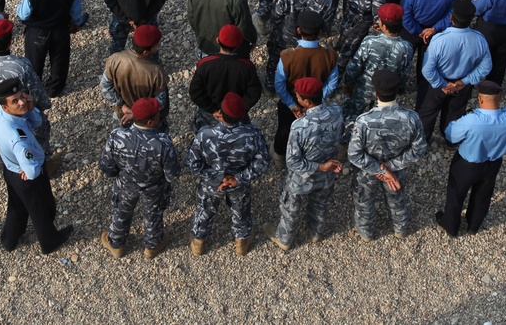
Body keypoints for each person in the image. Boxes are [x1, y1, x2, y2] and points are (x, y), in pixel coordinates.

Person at [0, 78, 73, 254]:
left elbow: (35, 122)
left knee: (16, 206)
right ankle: (50, 242)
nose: (22, 102)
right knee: (42, 210)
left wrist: (30, 107)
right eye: (15, 101)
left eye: (22, 96)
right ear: (6, 106)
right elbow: (31, 170)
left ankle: (10, 239)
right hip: (27, 177)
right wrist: (32, 171)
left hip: (11, 170)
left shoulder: (1, 112)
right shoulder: (17, 137)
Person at [263, 78, 344, 251]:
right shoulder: (337, 112)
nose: (296, 99)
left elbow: (292, 161)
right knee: (319, 204)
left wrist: (318, 166)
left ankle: (284, 238)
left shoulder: (299, 126)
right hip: (327, 174)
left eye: (298, 97)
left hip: (301, 179)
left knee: (291, 208)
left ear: (306, 101)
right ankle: (315, 233)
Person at [186, 92, 270, 257]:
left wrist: (217, 177)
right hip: (239, 184)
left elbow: (192, 163)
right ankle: (241, 243)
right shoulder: (252, 134)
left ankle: (199, 243)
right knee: (241, 211)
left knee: (205, 210)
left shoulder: (205, 134)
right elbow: (262, 162)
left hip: (211, 184)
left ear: (220, 113)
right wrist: (238, 178)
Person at [348, 70, 428, 241]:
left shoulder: (364, 121)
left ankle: (366, 233)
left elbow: (354, 154)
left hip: (368, 171)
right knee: (397, 199)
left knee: (364, 201)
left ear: (375, 93)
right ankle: (400, 229)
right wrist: (391, 166)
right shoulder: (411, 118)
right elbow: (419, 149)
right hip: (396, 170)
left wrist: (380, 169)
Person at [99, 96, 181, 259]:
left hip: (125, 185)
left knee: (121, 211)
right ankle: (153, 244)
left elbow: (106, 166)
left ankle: (116, 244)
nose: (160, 116)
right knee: (153, 214)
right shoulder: (162, 142)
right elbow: (172, 174)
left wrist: (120, 175)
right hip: (154, 188)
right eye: (158, 114)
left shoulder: (117, 135)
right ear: (150, 122)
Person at [436, 80, 506, 237]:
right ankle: (474, 225)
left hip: (467, 165)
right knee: (483, 195)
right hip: (493, 163)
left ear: (480, 99)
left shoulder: (471, 120)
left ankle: (451, 226)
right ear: (500, 97)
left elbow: (450, 135)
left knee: (456, 194)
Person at [0, 19, 53, 158]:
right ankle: (43, 163)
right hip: (24, 111)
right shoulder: (21, 66)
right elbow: (36, 91)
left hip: (2, 110)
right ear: (10, 40)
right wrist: (45, 105)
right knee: (38, 138)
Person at [272, 11, 340, 170]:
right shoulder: (330, 56)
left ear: (298, 31)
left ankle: (280, 159)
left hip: (291, 104)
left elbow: (279, 85)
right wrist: (317, 100)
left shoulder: (287, 56)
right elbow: (332, 82)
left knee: (284, 130)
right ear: (321, 32)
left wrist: (292, 104)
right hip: (315, 104)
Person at [419, 0, 492, 143]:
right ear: (471, 19)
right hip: (462, 84)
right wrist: (464, 81)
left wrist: (442, 84)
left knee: (427, 113)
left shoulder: (439, 40)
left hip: (439, 83)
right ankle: (451, 142)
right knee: (455, 114)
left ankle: (422, 142)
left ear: (451, 18)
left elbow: (427, 69)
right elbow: (486, 66)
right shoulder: (480, 40)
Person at [341, 4, 415, 140]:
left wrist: (348, 82)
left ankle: (346, 140)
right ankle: (369, 142)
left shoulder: (369, 42)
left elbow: (355, 65)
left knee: (352, 114)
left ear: (383, 25)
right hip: (386, 91)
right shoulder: (407, 47)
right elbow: (405, 73)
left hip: (363, 87)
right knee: (377, 119)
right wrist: (399, 88)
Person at [16, 0, 83, 97]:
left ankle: (34, 88)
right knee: (60, 60)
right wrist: (76, 22)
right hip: (61, 29)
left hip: (37, 32)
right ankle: (55, 89)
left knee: (34, 62)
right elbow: (76, 9)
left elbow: (23, 14)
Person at [265, 0, 334, 88]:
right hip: (309, 39)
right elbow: (326, 24)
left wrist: (274, 25)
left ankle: (270, 85)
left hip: (285, 35)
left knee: (275, 57)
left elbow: (277, 13)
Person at [189, 24, 262, 132]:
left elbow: (195, 92)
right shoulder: (247, 67)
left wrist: (213, 110)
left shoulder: (205, 64)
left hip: (209, 116)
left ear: (218, 40)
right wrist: (239, 109)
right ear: (239, 44)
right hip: (236, 116)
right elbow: (254, 93)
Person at [400, 0, 458, 80]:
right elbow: (451, 12)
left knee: (404, 59)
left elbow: (406, 16)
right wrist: (434, 28)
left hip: (413, 30)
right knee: (427, 62)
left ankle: (401, 83)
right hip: (434, 32)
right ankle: (422, 84)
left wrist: (419, 31)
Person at [100, 24, 170, 131]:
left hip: (123, 115)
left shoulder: (114, 60)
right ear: (146, 52)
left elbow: (105, 86)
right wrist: (137, 115)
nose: (158, 46)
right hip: (148, 123)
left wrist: (122, 106)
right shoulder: (157, 73)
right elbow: (160, 103)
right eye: (157, 45)